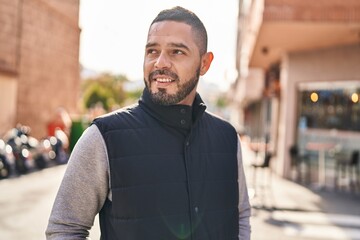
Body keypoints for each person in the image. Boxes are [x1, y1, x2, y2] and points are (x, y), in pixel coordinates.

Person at [46, 6, 251, 240]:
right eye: (152, 51)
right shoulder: (104, 137)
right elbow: (64, 228)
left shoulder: (227, 138)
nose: (160, 63)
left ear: (204, 63)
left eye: (177, 52)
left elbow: (240, 215)